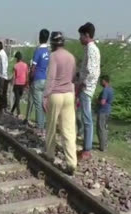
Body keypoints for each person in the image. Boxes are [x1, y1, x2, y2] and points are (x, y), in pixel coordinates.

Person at [42, 31, 77, 175]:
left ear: (53, 43)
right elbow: (73, 77)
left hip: (56, 95)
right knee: (68, 130)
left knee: (51, 127)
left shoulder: (54, 56)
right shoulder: (71, 57)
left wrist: (45, 96)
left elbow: (51, 79)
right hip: (69, 94)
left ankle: (50, 155)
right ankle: (71, 162)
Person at [77, 22, 101, 161]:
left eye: (81, 35)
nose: (79, 38)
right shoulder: (88, 49)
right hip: (85, 87)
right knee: (86, 118)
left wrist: (83, 85)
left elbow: (91, 72)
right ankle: (86, 147)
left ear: (87, 35)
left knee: (87, 120)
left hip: (86, 89)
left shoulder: (92, 49)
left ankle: (87, 149)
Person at [31, 29, 50, 139]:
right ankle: (45, 128)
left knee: (38, 105)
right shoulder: (49, 52)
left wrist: (30, 79)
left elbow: (33, 68)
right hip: (46, 80)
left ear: (39, 37)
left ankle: (40, 128)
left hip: (38, 80)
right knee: (44, 105)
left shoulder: (38, 51)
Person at [97, 75, 113, 151]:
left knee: (100, 128)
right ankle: (105, 143)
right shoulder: (111, 89)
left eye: (101, 80)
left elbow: (103, 102)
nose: (100, 82)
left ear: (104, 81)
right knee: (105, 128)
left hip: (103, 111)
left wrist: (96, 101)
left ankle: (102, 147)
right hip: (108, 110)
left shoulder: (105, 90)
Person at [11, 52, 28, 117]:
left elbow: (14, 76)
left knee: (17, 99)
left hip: (17, 84)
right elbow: (27, 75)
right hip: (23, 84)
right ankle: (12, 111)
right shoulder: (25, 65)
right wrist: (27, 84)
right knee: (18, 99)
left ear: (17, 58)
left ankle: (18, 113)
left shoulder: (15, 66)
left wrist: (12, 84)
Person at [0, 41, 9, 114]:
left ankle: (3, 107)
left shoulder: (1, 54)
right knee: (2, 92)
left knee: (1, 92)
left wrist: (2, 76)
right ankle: (2, 107)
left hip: (2, 76)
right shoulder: (4, 54)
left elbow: (3, 65)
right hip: (3, 75)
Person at [23, 60, 34, 125]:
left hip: (33, 87)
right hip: (35, 86)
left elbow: (29, 79)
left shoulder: (32, 71)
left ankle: (27, 118)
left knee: (30, 103)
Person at [75, 72, 83, 140]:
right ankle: (77, 132)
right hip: (74, 103)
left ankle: (80, 133)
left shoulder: (80, 85)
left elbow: (79, 95)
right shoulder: (75, 84)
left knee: (79, 118)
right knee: (76, 118)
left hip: (79, 104)